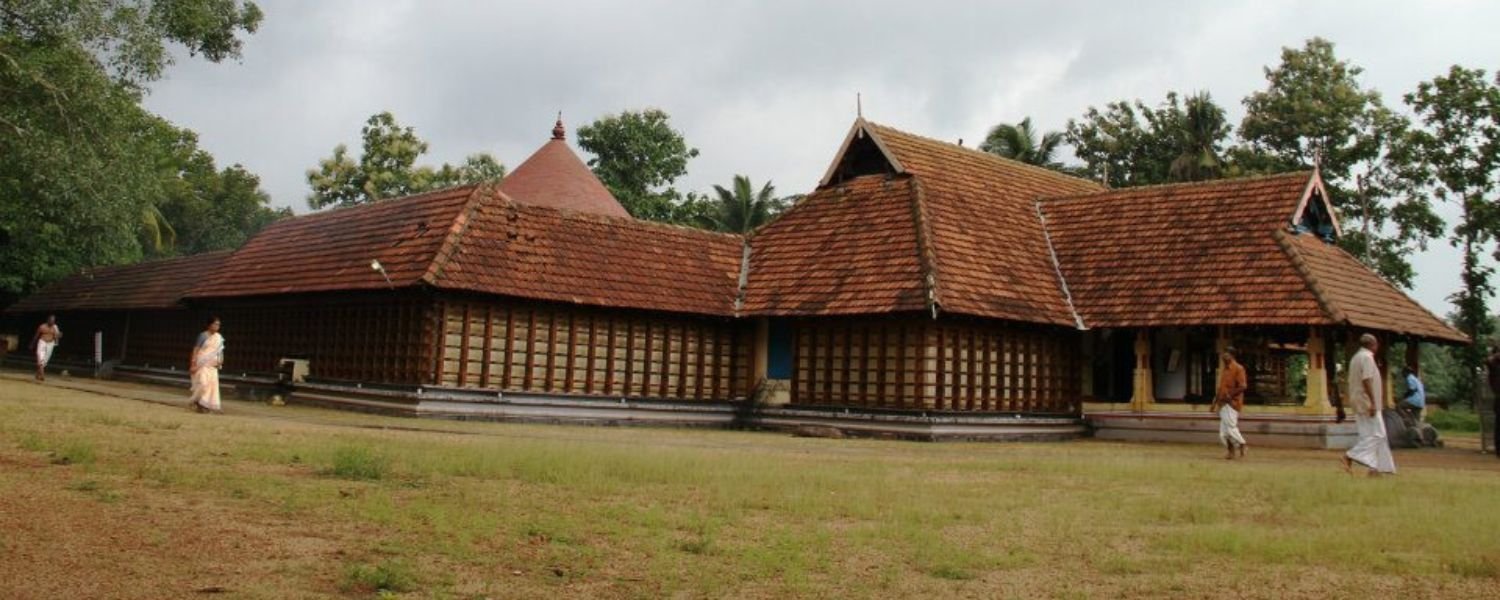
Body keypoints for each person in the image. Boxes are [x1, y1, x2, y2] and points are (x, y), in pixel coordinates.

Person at [1342, 333, 1396, 476]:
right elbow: (1367, 380)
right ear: (1373, 345)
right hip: (1367, 402)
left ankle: (1375, 469)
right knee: (1378, 434)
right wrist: (1372, 401)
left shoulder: (1356, 358)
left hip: (1358, 400)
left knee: (1367, 435)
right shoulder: (1367, 357)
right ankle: (1351, 455)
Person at [1210, 347, 1249, 459]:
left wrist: (1230, 396)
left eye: (1226, 354)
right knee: (1223, 433)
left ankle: (1242, 444)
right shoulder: (1225, 370)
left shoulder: (1238, 368)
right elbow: (1220, 388)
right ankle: (1230, 452)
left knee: (1231, 427)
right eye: (1223, 354)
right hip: (1222, 403)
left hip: (1232, 403)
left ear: (1232, 355)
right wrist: (1214, 403)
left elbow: (1243, 386)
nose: (1223, 357)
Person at [189, 316, 225, 413]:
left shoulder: (219, 337)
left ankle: (204, 405)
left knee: (212, 386)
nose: (217, 326)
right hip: (202, 364)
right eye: (215, 324)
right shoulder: (203, 335)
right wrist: (192, 364)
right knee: (203, 384)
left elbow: (220, 351)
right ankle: (196, 401)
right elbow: (196, 349)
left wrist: (221, 360)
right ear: (209, 325)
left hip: (213, 365)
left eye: (218, 325)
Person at [31, 315, 61, 381]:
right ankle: (42, 375)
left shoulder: (55, 327)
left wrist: (59, 335)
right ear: (48, 320)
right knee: (40, 358)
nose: (52, 322)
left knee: (45, 361)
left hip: (50, 344)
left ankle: (37, 374)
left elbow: (58, 336)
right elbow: (36, 335)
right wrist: (32, 344)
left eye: (53, 321)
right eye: (51, 320)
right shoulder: (42, 326)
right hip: (42, 342)